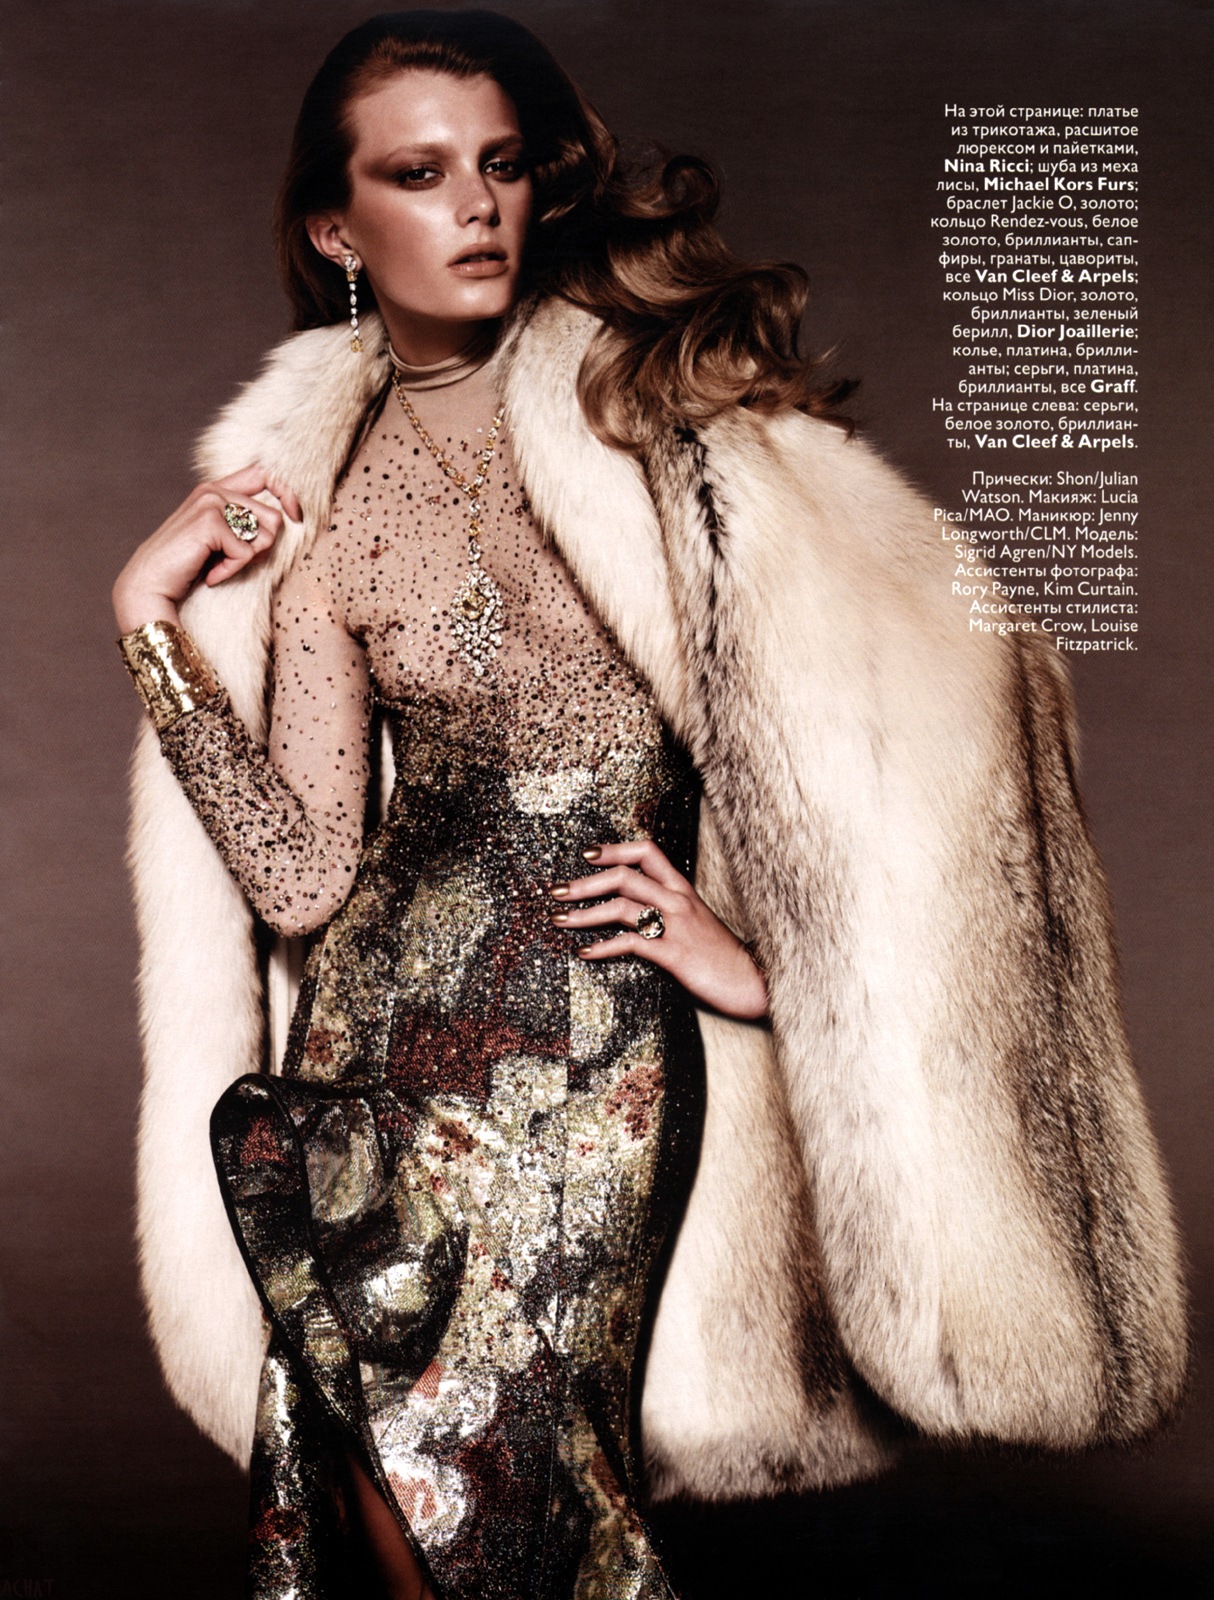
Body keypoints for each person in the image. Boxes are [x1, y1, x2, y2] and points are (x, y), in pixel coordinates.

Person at [114, 10, 1188, 1599]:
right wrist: (150, 622)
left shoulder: (660, 429)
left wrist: (763, 968)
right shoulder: (321, 510)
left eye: (498, 166)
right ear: (338, 230)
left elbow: (911, 715)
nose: (473, 206)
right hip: (370, 1062)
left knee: (510, 1511)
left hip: (589, 1068)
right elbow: (298, 876)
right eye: (418, 175)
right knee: (384, 1505)